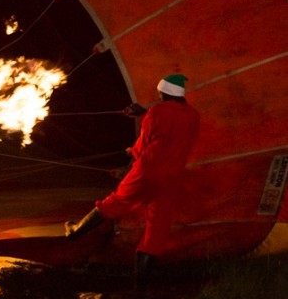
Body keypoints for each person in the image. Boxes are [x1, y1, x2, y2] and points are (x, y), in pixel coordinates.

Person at [65, 74, 200, 288]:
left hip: (146, 173)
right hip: (170, 177)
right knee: (157, 228)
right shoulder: (193, 115)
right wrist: (144, 113)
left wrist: (133, 150)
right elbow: (171, 129)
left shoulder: (157, 112)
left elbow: (146, 144)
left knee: (115, 202)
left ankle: (75, 232)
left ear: (164, 92)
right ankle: (141, 285)